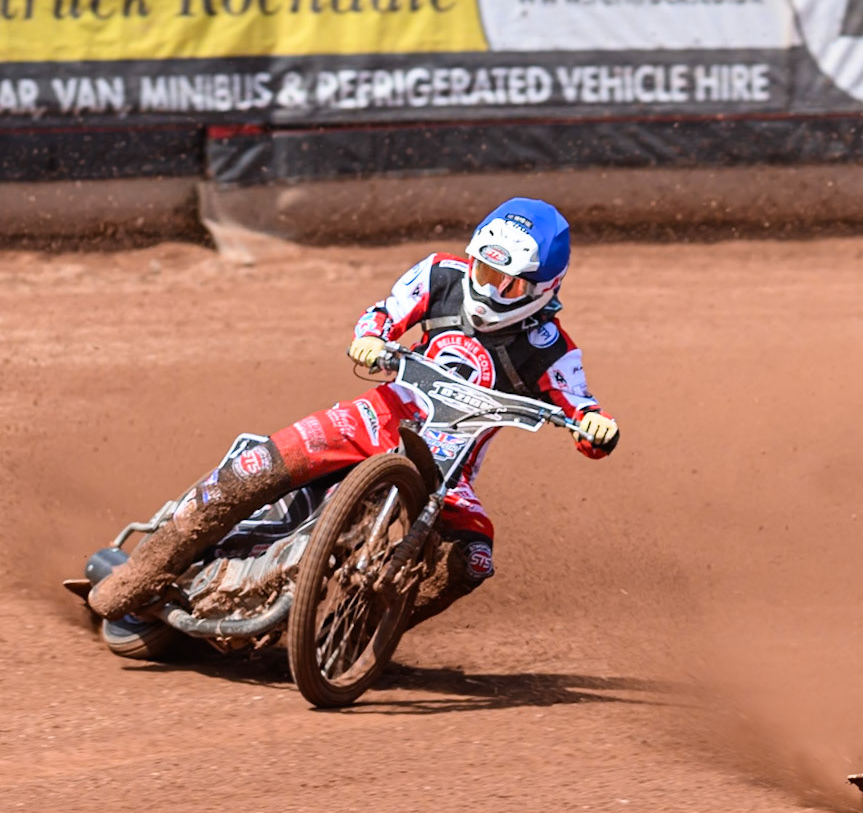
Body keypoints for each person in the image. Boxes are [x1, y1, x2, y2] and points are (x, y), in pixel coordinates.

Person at [89, 197, 618, 626]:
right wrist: (371, 338)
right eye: (483, 269)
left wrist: (595, 427)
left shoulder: (552, 348)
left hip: (448, 468)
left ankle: (360, 632)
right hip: (375, 418)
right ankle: (137, 576)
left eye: (509, 284)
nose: (488, 288)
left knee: (473, 559)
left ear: (545, 287)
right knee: (254, 470)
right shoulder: (440, 276)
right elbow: (384, 315)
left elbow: (582, 412)